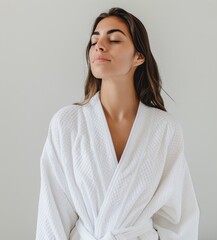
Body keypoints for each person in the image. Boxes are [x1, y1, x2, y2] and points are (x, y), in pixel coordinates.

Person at [36, 7, 200, 240]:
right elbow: (52, 213)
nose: (99, 46)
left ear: (139, 57)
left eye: (113, 39)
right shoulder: (67, 123)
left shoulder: (164, 129)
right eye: (94, 42)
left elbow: (179, 217)